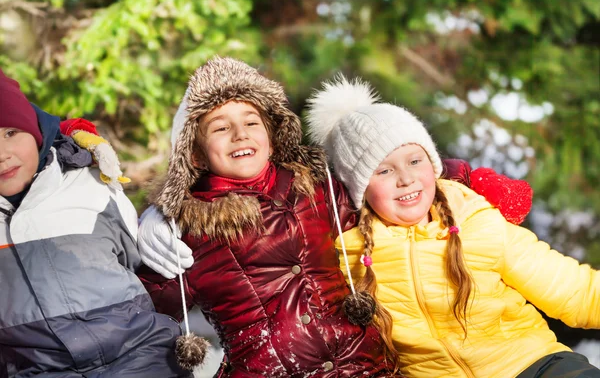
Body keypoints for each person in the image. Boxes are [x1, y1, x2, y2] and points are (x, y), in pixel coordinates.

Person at [304, 75, 600, 378]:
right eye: (384, 170)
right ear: (360, 187)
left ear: (433, 165)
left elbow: (573, 290)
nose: (406, 178)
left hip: (532, 365)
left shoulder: (476, 220)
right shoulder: (350, 257)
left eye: (415, 161)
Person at [136, 56, 408, 377]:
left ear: (274, 131)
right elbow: (137, 311)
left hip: (363, 366)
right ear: (195, 152)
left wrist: (461, 176)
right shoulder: (188, 232)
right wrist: (139, 227)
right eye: (221, 127)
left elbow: (393, 194)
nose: (240, 134)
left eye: (251, 122)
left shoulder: (319, 189)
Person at [0, 68, 191, 378]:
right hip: (39, 370)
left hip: (140, 354)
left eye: (11, 133)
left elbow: (140, 259)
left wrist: (159, 218)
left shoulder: (89, 185)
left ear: (34, 131)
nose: (3, 154)